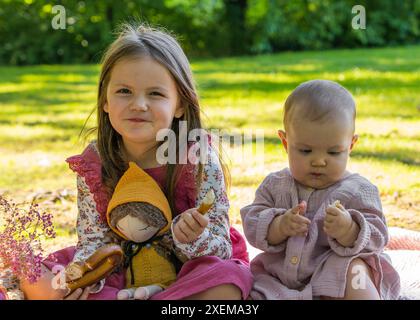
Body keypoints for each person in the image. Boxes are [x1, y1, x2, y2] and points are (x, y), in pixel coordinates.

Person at [20, 23, 252, 300]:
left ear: (180, 104)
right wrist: (86, 278)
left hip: (188, 271)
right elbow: (94, 240)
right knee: (41, 280)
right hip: (118, 275)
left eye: (155, 93)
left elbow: (221, 247)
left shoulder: (197, 158)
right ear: (105, 99)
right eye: (124, 92)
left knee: (228, 281)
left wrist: (194, 238)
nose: (138, 104)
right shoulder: (96, 163)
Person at [240, 79, 401, 300]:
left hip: (336, 276)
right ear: (286, 142)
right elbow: (252, 223)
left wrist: (349, 229)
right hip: (279, 279)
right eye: (305, 151)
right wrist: (279, 226)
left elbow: (378, 236)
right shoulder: (274, 185)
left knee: (356, 272)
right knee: (250, 286)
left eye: (333, 153)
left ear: (350, 145)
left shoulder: (359, 190)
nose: (319, 161)